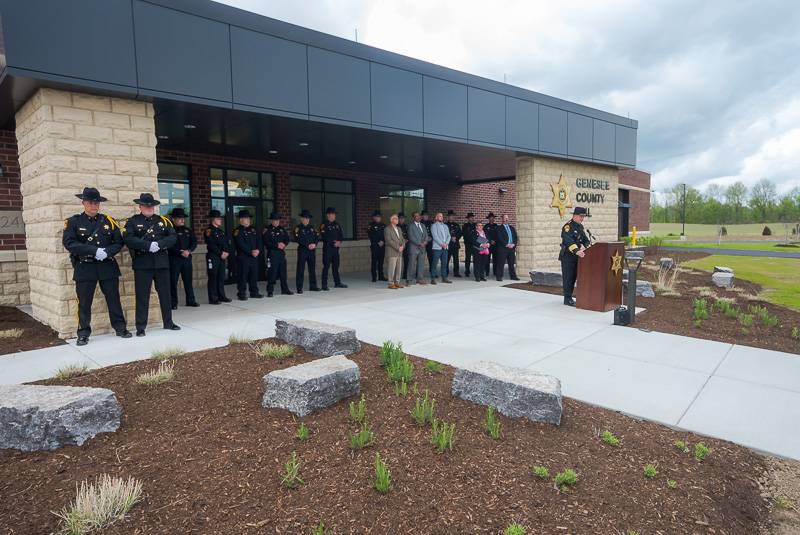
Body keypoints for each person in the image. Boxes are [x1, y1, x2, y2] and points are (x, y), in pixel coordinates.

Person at [62, 187, 131, 345]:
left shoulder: (108, 221)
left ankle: (120, 328)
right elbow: (69, 243)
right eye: (90, 203)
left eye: (96, 203)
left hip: (107, 265)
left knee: (114, 299)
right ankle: (83, 332)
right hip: (85, 267)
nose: (94, 206)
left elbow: (119, 242)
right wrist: (94, 251)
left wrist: (106, 252)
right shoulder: (73, 222)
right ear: (84, 203)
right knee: (84, 302)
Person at [123, 193, 180, 336]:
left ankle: (168, 322)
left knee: (165, 295)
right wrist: (148, 245)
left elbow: (173, 237)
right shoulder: (132, 221)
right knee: (142, 296)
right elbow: (128, 238)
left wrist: (159, 244)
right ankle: (141, 327)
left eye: (151, 206)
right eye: (146, 205)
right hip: (143, 264)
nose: (149, 208)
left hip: (161, 263)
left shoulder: (164, 221)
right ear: (140, 206)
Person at [559, 206, 592, 307]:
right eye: (581, 216)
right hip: (568, 256)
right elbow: (568, 240)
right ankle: (567, 298)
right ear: (574, 216)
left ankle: (572, 296)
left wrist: (588, 247)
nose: (582, 218)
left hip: (577, 256)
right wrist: (577, 250)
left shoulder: (580, 227)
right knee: (568, 277)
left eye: (583, 217)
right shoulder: (567, 227)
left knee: (574, 277)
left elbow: (585, 240)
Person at [167, 207, 198, 310]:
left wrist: (188, 251)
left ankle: (191, 300)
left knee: (188, 281)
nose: (182, 220)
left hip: (187, 259)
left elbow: (194, 242)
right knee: (173, 282)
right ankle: (173, 303)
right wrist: (179, 252)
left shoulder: (188, 230)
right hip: (174, 260)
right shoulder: (169, 231)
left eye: (183, 218)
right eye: (179, 218)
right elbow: (168, 245)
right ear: (173, 219)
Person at [233, 209, 263, 300]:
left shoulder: (254, 229)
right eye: (246, 218)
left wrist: (258, 250)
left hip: (254, 257)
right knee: (243, 275)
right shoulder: (237, 231)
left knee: (253, 275)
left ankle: (254, 292)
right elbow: (240, 244)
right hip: (243, 257)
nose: (248, 219)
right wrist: (251, 252)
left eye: (249, 218)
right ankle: (241, 294)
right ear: (241, 220)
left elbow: (259, 240)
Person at [205, 209, 232, 305]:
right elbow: (211, 245)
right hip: (213, 257)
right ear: (213, 219)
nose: (220, 220)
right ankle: (213, 298)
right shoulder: (209, 231)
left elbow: (225, 243)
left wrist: (226, 252)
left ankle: (221, 295)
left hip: (222, 257)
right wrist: (221, 253)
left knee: (221, 277)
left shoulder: (221, 231)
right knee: (213, 277)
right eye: (219, 219)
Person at [263, 211, 293, 297]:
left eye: (278, 220)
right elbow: (265, 241)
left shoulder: (281, 229)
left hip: (281, 254)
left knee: (283, 273)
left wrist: (284, 244)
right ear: (271, 220)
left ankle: (285, 289)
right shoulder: (267, 229)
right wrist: (276, 245)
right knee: (272, 273)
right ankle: (270, 291)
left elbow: (287, 238)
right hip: (272, 254)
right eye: (275, 220)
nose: (276, 222)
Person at [319, 206, 347, 291]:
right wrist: (333, 242)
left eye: (334, 214)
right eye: (332, 214)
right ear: (328, 215)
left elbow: (341, 235)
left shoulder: (337, 224)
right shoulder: (324, 225)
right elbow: (324, 236)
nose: (334, 216)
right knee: (326, 266)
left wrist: (339, 242)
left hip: (335, 249)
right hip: (328, 249)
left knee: (336, 266)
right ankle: (324, 285)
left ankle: (337, 283)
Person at [294, 209, 320, 293]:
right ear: (301, 219)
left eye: (308, 218)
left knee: (312, 269)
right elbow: (298, 239)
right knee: (300, 269)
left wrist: (315, 244)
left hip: (312, 251)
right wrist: (307, 245)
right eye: (305, 218)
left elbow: (317, 237)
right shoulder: (298, 228)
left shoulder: (312, 228)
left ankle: (313, 286)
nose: (307, 220)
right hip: (303, 251)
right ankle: (299, 287)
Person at [494, 214, 520, 281]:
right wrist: (506, 244)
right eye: (505, 218)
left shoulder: (512, 228)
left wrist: (513, 244)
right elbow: (499, 238)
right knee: (500, 263)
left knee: (511, 263)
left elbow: (515, 237)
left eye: (507, 218)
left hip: (511, 248)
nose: (507, 219)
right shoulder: (499, 228)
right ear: (502, 219)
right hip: (503, 248)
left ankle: (513, 276)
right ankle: (499, 276)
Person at [405, 211, 429, 286]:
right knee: (411, 264)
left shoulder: (423, 225)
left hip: (422, 248)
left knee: (421, 264)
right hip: (414, 248)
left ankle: (420, 279)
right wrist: (419, 243)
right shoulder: (410, 226)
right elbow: (411, 237)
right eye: (416, 216)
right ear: (413, 218)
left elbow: (426, 235)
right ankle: (409, 280)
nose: (418, 217)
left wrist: (425, 242)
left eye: (418, 216)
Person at [384, 213, 406, 289]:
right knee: (391, 268)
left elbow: (402, 239)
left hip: (400, 252)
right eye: (396, 218)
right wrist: (398, 247)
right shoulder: (387, 229)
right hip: (392, 252)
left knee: (398, 268)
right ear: (391, 220)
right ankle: (390, 283)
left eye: (397, 219)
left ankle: (397, 282)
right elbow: (389, 240)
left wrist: (403, 245)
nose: (397, 220)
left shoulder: (399, 229)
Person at [429, 212, 452, 284]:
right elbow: (435, 237)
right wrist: (442, 244)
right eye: (439, 216)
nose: (441, 217)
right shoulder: (433, 226)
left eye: (442, 216)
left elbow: (449, 236)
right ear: (436, 218)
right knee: (434, 263)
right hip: (437, 248)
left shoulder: (445, 226)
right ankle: (433, 278)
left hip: (445, 248)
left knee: (444, 263)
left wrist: (446, 243)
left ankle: (444, 277)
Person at [368, 210, 387, 282]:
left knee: (381, 262)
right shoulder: (371, 225)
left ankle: (381, 276)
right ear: (374, 217)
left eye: (379, 217)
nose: (378, 218)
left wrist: (383, 241)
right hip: (375, 246)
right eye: (377, 216)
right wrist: (378, 241)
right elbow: (371, 235)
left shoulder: (383, 225)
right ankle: (374, 277)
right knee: (374, 262)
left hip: (382, 246)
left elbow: (386, 235)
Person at [445, 210, 462, 277]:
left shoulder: (457, 225)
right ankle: (446, 272)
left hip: (455, 244)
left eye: (453, 216)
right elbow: (444, 234)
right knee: (447, 259)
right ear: (448, 217)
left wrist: (456, 238)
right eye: (450, 216)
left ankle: (456, 272)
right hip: (448, 244)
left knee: (456, 260)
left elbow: (460, 233)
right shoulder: (445, 225)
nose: (452, 217)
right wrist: (451, 238)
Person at [462, 212, 477, 277]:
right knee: (468, 258)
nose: (472, 218)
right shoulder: (465, 226)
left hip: (475, 244)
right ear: (468, 218)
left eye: (472, 217)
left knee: (476, 258)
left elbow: (477, 234)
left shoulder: (476, 225)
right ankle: (467, 271)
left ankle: (476, 270)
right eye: (470, 217)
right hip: (468, 244)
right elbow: (465, 235)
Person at [484, 212, 499, 278]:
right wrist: (490, 241)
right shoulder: (486, 226)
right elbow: (484, 236)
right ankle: (486, 272)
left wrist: (494, 240)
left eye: (493, 218)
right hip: (488, 245)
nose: (492, 219)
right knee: (487, 259)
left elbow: (498, 235)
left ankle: (495, 272)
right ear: (488, 219)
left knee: (495, 259)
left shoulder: (496, 226)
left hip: (495, 245)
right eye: (490, 218)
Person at [398, 212, 409, 281]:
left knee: (406, 261)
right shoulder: (396, 226)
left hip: (406, 245)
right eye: (400, 218)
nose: (402, 219)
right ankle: (397, 275)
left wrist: (405, 241)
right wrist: (401, 243)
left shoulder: (407, 226)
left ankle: (405, 275)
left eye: (403, 218)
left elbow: (409, 235)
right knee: (398, 261)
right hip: (398, 245)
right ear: (398, 219)